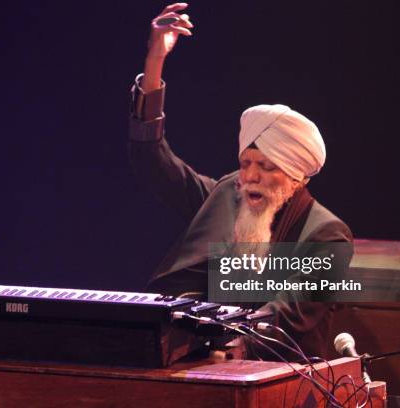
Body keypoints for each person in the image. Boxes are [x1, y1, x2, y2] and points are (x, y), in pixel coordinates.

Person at [128, 3, 353, 360]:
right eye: (246, 163)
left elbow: (284, 316)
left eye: (265, 166)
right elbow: (153, 162)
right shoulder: (227, 194)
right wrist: (154, 64)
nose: (250, 176)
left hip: (276, 381)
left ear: (296, 175)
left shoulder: (327, 235)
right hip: (201, 364)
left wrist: (221, 346)